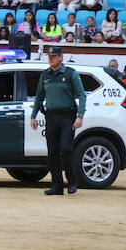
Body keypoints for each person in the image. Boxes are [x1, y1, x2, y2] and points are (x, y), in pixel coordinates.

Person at [30, 45, 86, 195]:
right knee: (53, 152)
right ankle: (57, 185)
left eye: (54, 56)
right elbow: (39, 97)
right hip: (51, 117)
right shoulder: (45, 75)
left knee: (66, 150)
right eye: (49, 57)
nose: (51, 59)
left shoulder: (70, 74)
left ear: (61, 57)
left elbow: (82, 95)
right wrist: (33, 116)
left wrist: (80, 116)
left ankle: (72, 181)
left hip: (68, 117)